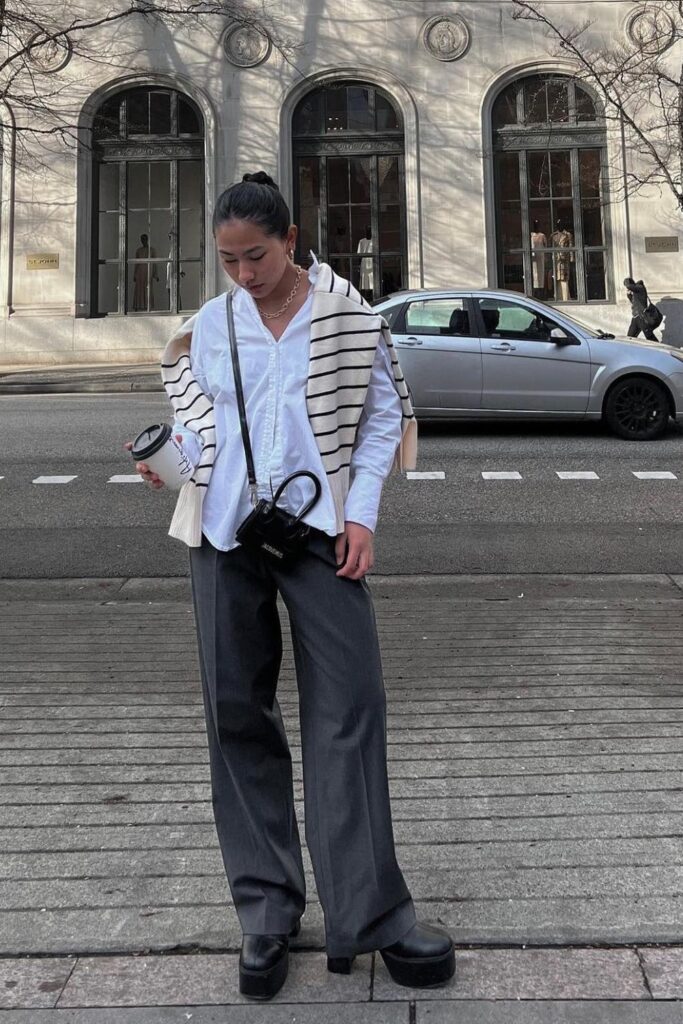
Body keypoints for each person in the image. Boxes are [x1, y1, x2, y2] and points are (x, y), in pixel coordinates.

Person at [128, 172, 455, 1001]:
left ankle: (371, 915)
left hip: (319, 533)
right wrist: (174, 465)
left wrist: (364, 516)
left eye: (257, 256)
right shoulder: (210, 325)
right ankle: (266, 915)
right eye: (229, 259)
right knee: (236, 714)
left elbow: (383, 415)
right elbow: (200, 419)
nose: (243, 274)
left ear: (291, 236)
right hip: (223, 532)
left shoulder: (348, 317)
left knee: (351, 709)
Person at [624, 277, 660, 341]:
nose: (627, 287)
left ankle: (660, 348)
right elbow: (635, 303)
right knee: (630, 337)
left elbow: (629, 286)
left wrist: (627, 284)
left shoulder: (640, 288)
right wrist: (629, 296)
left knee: (649, 337)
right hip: (635, 317)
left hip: (642, 317)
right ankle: (628, 349)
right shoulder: (636, 292)